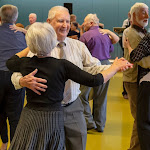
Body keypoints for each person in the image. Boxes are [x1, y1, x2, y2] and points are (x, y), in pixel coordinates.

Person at [11, 6, 131, 150]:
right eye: (61, 21)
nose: (65, 25)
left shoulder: (78, 46)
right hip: (45, 113)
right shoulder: (37, 48)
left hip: (73, 107)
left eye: (68, 21)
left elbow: (93, 68)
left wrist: (114, 67)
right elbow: (17, 71)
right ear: (49, 22)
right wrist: (21, 81)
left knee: (78, 143)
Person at [79, 13, 119, 132]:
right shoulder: (105, 35)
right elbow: (111, 47)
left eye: (85, 22)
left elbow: (81, 54)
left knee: (82, 95)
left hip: (91, 67)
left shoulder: (85, 36)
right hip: (106, 66)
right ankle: (100, 125)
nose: (83, 24)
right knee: (101, 97)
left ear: (91, 23)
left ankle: (88, 121)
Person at [122, 2, 149, 150]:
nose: (147, 16)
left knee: (142, 118)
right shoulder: (132, 33)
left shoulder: (142, 32)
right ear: (133, 15)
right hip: (134, 81)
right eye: (143, 13)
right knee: (140, 118)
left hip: (139, 80)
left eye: (147, 12)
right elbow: (138, 58)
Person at [0, 4, 26, 150]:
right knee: (16, 115)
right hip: (15, 78)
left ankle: (3, 142)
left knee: (0, 113)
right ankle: (14, 145)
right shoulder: (23, 35)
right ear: (16, 18)